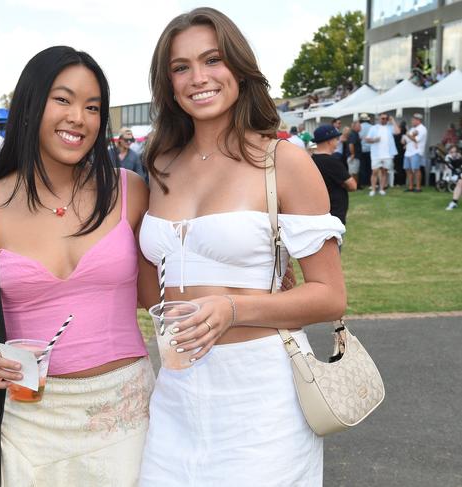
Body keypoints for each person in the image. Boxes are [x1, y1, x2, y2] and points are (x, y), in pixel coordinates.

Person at [138, 8, 346, 485]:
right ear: (168, 83)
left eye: (213, 60)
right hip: (176, 391)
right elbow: (152, 288)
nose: (198, 78)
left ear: (238, 67)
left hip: (260, 401)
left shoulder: (283, 162)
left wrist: (231, 308)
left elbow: (330, 295)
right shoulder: (160, 165)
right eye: (181, 67)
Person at [0, 46, 155, 486]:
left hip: (126, 414)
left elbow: (160, 294)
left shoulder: (130, 192)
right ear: (29, 105)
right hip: (28, 421)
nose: (78, 117)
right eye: (62, 99)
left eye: (93, 106)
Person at [311, 125, 357, 228]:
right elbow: (352, 185)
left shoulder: (311, 160)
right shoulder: (332, 162)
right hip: (334, 214)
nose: (337, 142)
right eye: (336, 139)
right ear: (329, 141)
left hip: (317, 213)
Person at [365, 113, 399, 196]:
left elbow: (398, 132)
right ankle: (373, 189)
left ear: (387, 119)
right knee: (374, 172)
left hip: (387, 154)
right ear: (379, 119)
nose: (383, 120)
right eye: (382, 118)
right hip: (376, 154)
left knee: (384, 172)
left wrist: (393, 121)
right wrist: (374, 140)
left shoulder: (390, 127)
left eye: (385, 118)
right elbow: (367, 139)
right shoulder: (374, 128)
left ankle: (381, 189)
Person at [403, 113, 428, 193]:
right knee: (408, 169)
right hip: (408, 152)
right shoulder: (412, 129)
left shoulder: (422, 129)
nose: (412, 121)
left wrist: (408, 135)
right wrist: (405, 139)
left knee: (416, 169)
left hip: (416, 151)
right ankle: (410, 187)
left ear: (418, 120)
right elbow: (407, 139)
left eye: (413, 120)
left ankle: (418, 187)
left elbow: (417, 139)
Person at [445, 146, 462, 210]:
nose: (454, 154)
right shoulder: (449, 158)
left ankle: (454, 202)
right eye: (451, 152)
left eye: (455, 152)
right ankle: (454, 202)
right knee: (460, 183)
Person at [358, 112, 373, 187]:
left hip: (362, 149)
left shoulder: (359, 127)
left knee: (362, 167)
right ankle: (371, 182)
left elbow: (359, 138)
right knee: (370, 167)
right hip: (370, 149)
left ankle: (364, 182)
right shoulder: (372, 126)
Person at [347, 119, 362, 185]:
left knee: (355, 171)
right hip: (353, 156)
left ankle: (356, 185)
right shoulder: (353, 134)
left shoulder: (355, 134)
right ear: (354, 126)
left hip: (355, 156)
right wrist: (352, 154)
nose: (360, 127)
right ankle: (353, 186)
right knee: (353, 172)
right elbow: (351, 144)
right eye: (359, 126)